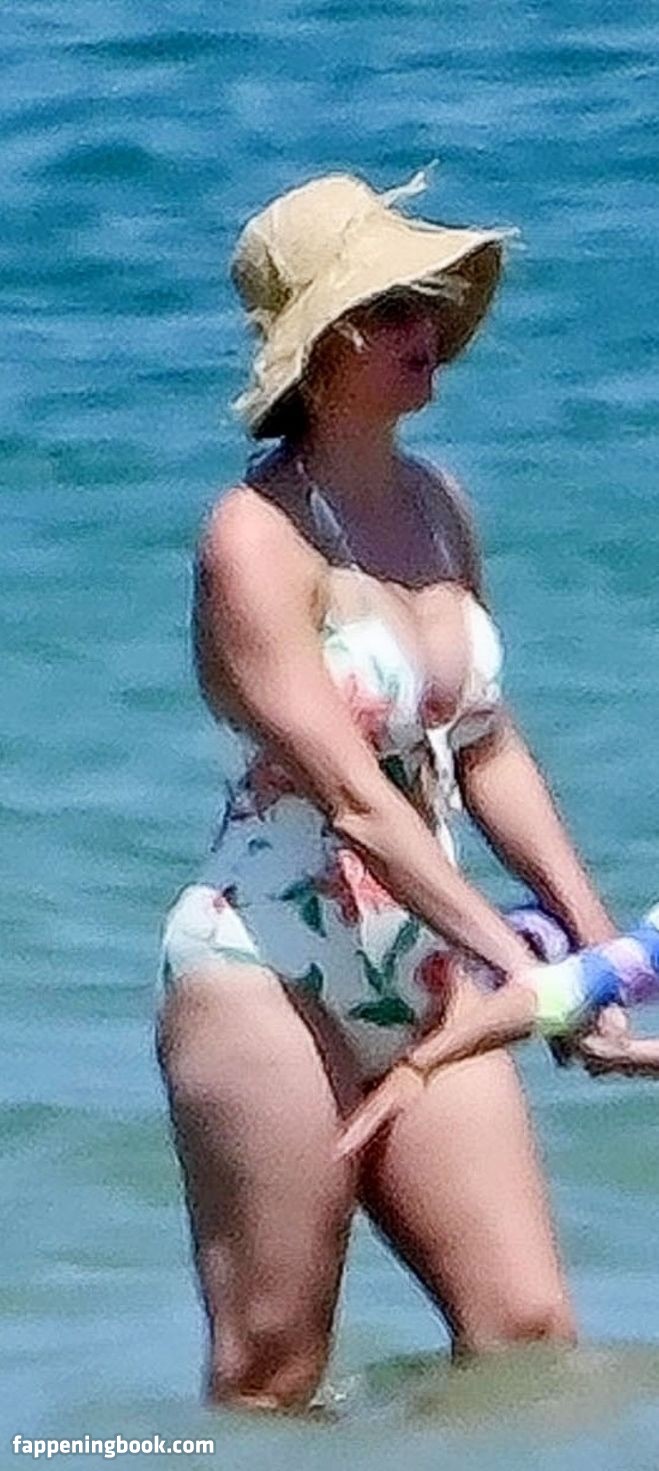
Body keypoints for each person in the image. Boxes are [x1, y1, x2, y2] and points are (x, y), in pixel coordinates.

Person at [154, 167, 624, 1413]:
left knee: (525, 1332)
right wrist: (524, 976)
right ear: (320, 348)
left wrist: (595, 953)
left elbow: (486, 748)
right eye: (388, 307)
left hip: (425, 962)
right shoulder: (251, 538)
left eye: (429, 299)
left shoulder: (436, 506)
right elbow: (353, 796)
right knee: (271, 1369)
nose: (427, 325)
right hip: (268, 966)